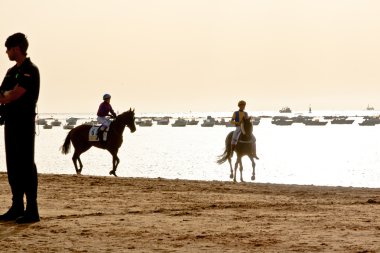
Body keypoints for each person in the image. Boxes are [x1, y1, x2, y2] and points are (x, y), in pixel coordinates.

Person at [0, 33, 40, 223]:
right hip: (10, 122)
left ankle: (32, 209)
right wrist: (7, 95)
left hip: (24, 123)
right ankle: (17, 206)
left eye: (8, 48)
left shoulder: (30, 70)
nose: (6, 52)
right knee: (13, 165)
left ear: (16, 48)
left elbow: (14, 95)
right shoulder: (10, 72)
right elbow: (2, 94)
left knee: (26, 164)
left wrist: (8, 94)